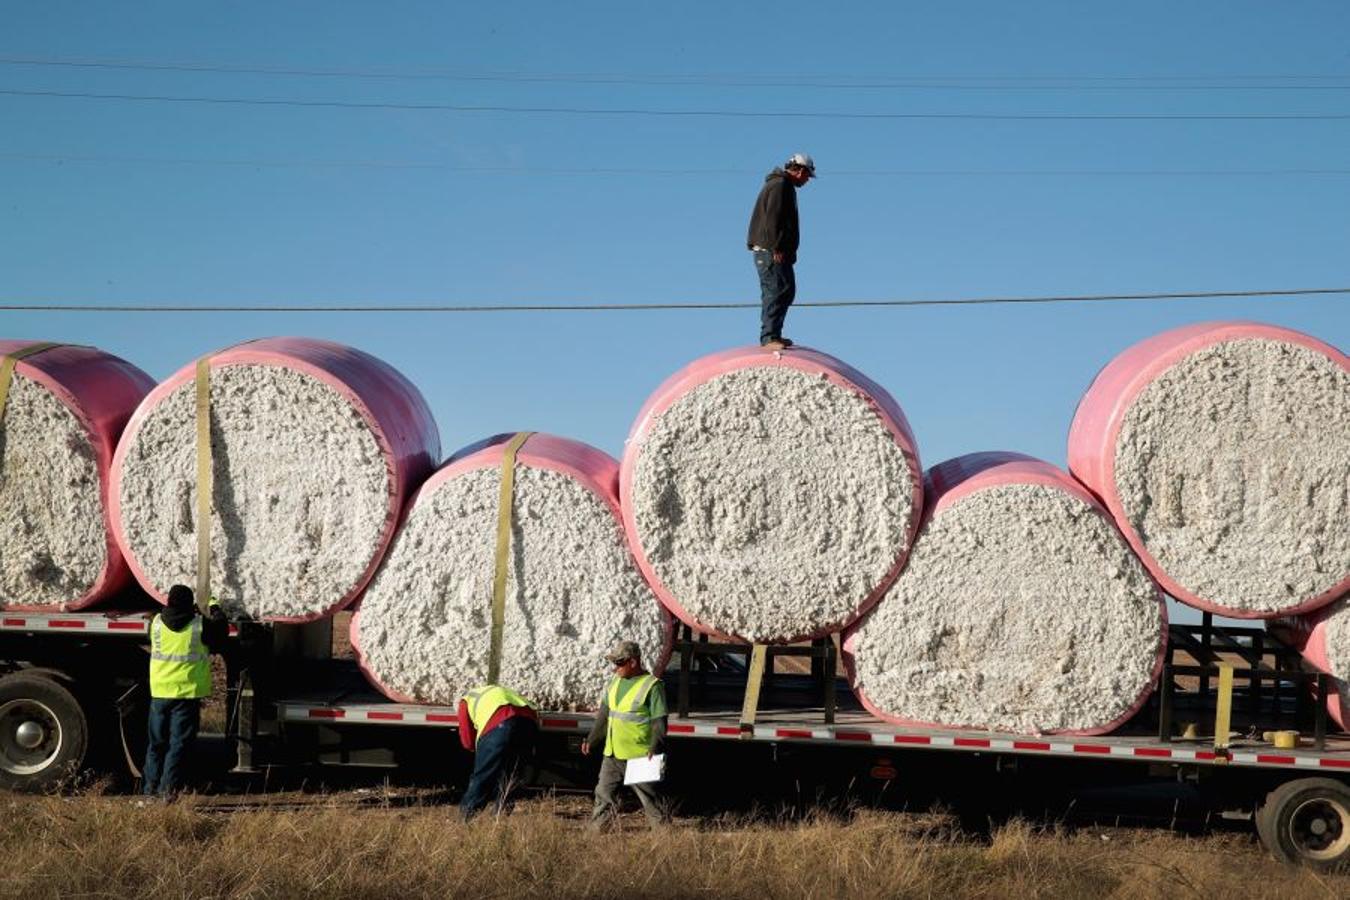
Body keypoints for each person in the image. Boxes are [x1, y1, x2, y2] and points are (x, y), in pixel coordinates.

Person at [141, 584, 227, 799]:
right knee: (177, 745)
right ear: (191, 604)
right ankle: (167, 791)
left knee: (156, 744)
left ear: (168, 601)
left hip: (160, 692)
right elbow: (221, 630)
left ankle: (150, 789)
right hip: (185, 695)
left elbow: (150, 634)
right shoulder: (199, 626)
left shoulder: (156, 623)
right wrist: (214, 606)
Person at [582, 639, 669, 829]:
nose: (616, 668)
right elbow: (604, 715)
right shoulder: (615, 683)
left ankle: (665, 837)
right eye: (614, 663)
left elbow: (659, 722)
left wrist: (655, 746)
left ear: (633, 662)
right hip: (612, 752)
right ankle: (595, 834)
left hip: (639, 754)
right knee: (603, 795)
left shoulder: (652, 686)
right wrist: (592, 739)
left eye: (620, 663)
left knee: (650, 799)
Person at [746, 152, 816, 349]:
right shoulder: (780, 185)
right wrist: (776, 246)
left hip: (773, 249)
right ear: (800, 170)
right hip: (771, 250)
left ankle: (774, 334)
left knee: (785, 290)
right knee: (776, 291)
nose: (807, 181)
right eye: (807, 176)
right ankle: (769, 337)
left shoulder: (782, 185)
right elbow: (773, 218)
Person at [456, 683, 539, 820]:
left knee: (484, 774)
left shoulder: (465, 700)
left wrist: (476, 750)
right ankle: (501, 816)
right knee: (511, 774)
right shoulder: (500, 693)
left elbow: (467, 737)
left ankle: (466, 818)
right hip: (529, 724)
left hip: (502, 723)